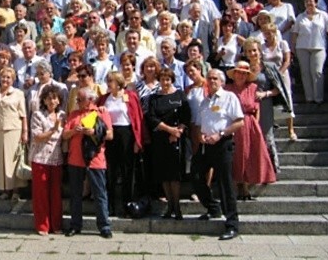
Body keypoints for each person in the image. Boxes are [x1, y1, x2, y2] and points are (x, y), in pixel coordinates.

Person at [192, 69, 243, 240]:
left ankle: (232, 224)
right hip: (206, 145)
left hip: (222, 144)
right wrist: (200, 136)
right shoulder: (205, 101)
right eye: (209, 78)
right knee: (196, 176)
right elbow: (199, 124)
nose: (212, 81)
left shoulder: (229, 97)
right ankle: (213, 208)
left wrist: (220, 134)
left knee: (225, 184)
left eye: (215, 78)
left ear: (221, 81)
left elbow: (239, 121)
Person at [63, 87, 113, 239]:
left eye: (80, 99)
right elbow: (65, 135)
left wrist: (94, 132)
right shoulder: (74, 114)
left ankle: (104, 226)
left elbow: (110, 135)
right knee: (76, 194)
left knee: (99, 194)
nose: (77, 102)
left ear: (90, 100)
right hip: (76, 159)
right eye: (77, 99)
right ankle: (75, 225)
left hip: (95, 159)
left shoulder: (101, 113)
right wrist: (74, 132)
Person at [225, 62, 276, 200]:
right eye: (239, 72)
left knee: (249, 155)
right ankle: (238, 185)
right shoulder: (227, 89)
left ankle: (246, 185)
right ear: (234, 74)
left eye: (244, 73)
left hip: (249, 123)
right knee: (236, 156)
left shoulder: (253, 88)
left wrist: (255, 126)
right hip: (233, 123)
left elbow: (256, 108)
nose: (241, 75)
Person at [97, 71, 145, 217]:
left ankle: (127, 204)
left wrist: (138, 141)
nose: (108, 84)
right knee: (110, 170)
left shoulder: (130, 96)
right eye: (107, 81)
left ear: (118, 83)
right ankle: (110, 205)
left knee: (127, 171)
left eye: (111, 81)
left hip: (126, 134)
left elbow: (138, 118)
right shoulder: (105, 98)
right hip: (110, 134)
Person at [244, 38, 292, 173]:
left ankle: (272, 168)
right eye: (249, 51)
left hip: (265, 104)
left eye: (254, 50)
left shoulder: (269, 67)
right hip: (248, 106)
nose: (252, 53)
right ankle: (254, 169)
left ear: (259, 51)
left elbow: (278, 89)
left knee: (267, 136)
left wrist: (265, 94)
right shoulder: (243, 67)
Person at [147, 68, 191, 220]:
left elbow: (186, 115)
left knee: (175, 175)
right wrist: (169, 130)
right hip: (160, 138)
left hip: (176, 139)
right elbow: (151, 118)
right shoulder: (154, 98)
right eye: (162, 79)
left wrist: (177, 131)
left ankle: (177, 206)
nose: (165, 82)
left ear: (172, 80)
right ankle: (169, 205)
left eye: (168, 79)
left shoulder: (180, 95)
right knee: (164, 174)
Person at [291, 0, 328, 105]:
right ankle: (309, 98)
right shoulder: (300, 17)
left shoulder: (323, 15)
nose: (309, 4)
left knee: (317, 72)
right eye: (307, 2)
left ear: (316, 3)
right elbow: (294, 33)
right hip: (302, 47)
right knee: (305, 72)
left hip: (318, 47)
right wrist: (292, 47)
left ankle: (318, 98)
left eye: (311, 1)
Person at [29, 86, 66, 235]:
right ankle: (42, 225)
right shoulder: (38, 115)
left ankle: (56, 225)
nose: (52, 101)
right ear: (44, 100)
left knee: (56, 193)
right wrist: (53, 129)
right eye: (49, 98)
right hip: (40, 158)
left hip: (56, 158)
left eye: (55, 98)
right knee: (41, 193)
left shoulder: (63, 115)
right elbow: (37, 137)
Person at [0, 67, 28, 201]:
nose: (5, 79)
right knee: (1, 161)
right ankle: (5, 190)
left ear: (13, 80)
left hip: (14, 130)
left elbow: (23, 115)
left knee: (14, 161)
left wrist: (25, 133)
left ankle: (16, 191)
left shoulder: (18, 94)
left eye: (8, 77)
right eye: (3, 76)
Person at [262, 23, 297, 141]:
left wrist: (279, 73)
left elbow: (287, 60)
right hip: (268, 77)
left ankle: (291, 130)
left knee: (287, 101)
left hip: (282, 75)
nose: (268, 35)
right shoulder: (262, 46)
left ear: (275, 32)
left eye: (270, 32)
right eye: (265, 33)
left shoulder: (283, 44)